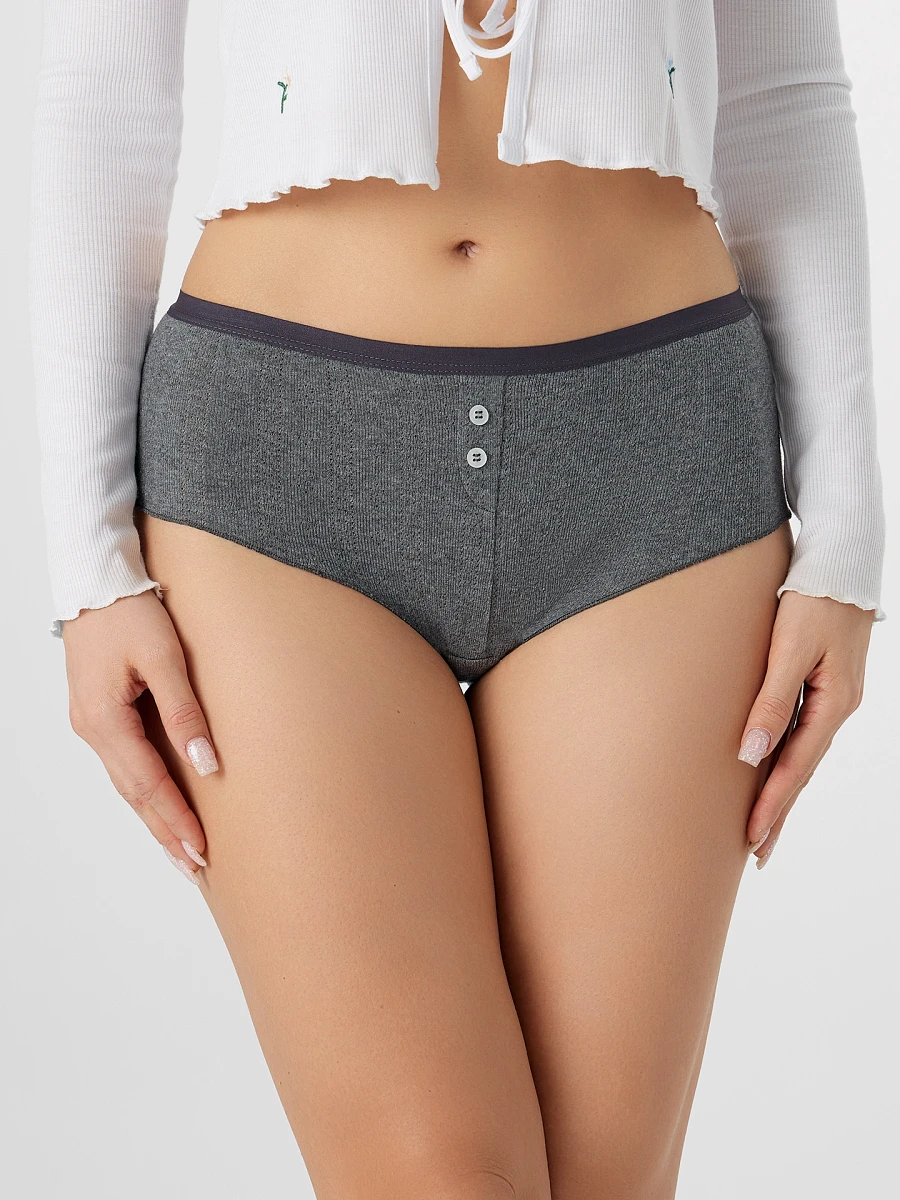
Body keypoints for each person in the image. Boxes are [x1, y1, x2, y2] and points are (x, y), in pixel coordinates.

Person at [27, 2, 886, 1196]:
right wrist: (88, 566)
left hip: (653, 467)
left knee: (601, 1182)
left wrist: (846, 542)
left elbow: (783, 96)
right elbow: (104, 97)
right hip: (276, 479)